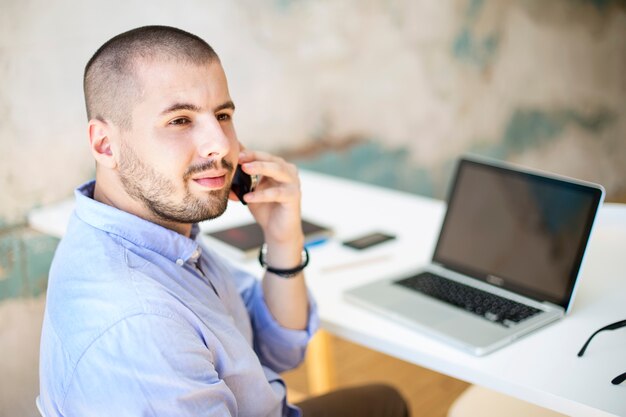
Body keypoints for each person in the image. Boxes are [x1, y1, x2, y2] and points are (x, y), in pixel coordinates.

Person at [38, 25, 409, 417]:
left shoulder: (160, 234)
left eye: (223, 114)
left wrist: (282, 239)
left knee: (385, 400)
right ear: (105, 145)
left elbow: (277, 347)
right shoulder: (140, 322)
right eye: (180, 120)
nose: (220, 144)